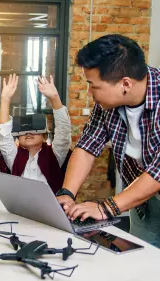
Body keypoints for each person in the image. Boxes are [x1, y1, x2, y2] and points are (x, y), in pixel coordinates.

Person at [56, 35, 160, 252]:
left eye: (93, 86)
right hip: (143, 199)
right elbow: (87, 145)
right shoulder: (107, 105)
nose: (90, 93)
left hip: (151, 182)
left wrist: (107, 207)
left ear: (125, 84)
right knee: (142, 262)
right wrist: (67, 193)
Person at [0, 74, 72, 193]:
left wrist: (54, 98)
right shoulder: (14, 157)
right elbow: (3, 136)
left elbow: (64, 132)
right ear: (17, 138)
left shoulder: (55, 155)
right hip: (21, 207)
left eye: (34, 130)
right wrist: (5, 100)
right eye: (23, 131)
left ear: (44, 136)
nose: (28, 133)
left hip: (50, 208)